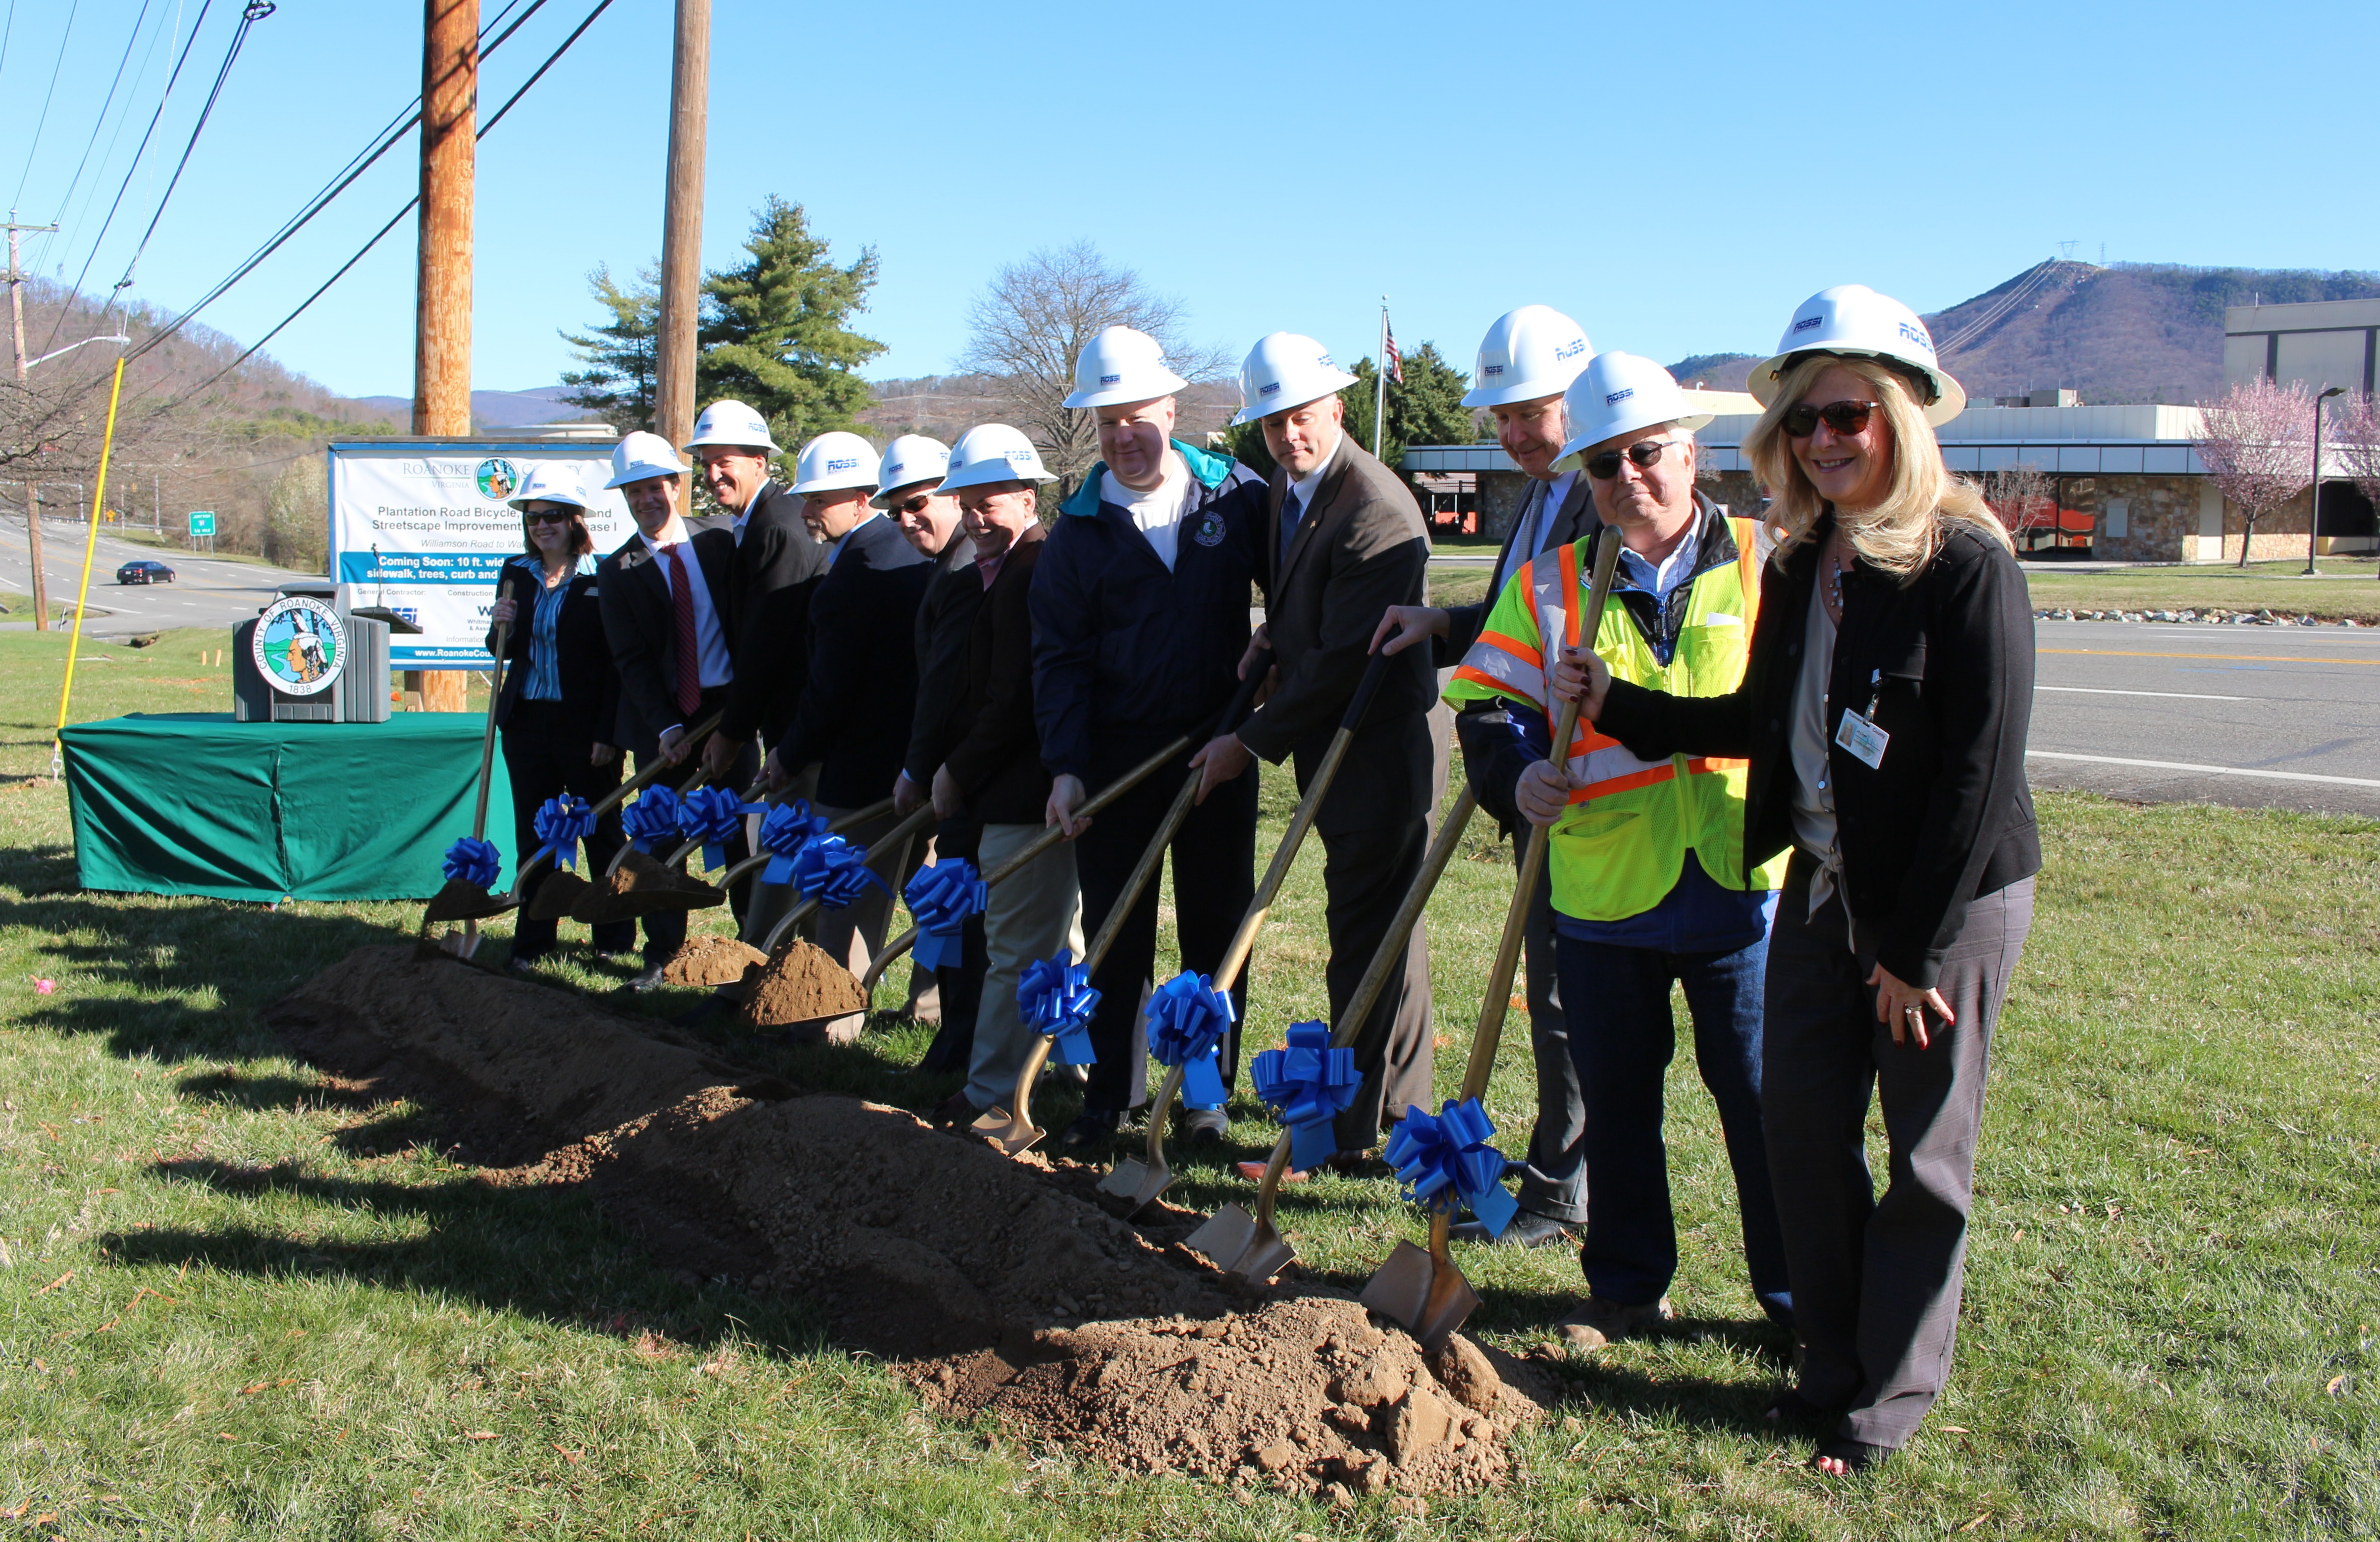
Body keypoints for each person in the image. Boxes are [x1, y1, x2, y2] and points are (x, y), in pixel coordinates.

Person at [1557, 286, 2037, 1475]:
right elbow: (1756, 721)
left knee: (1923, 1154)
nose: (1825, 438)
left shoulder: (1966, 563)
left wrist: (1910, 952)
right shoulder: (1809, 556)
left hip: (1942, 900)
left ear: (1901, 421)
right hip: (1823, 884)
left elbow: (1977, 776)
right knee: (1799, 1130)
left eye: (1848, 415)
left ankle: (1885, 1396)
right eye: (1806, 419)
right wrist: (1620, 703)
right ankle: (1827, 1359)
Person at [1446, 351, 1792, 1354]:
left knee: (1764, 1103)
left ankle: (1794, 1299)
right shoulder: (1551, 583)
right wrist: (1515, 776)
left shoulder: (1771, 562)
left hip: (1739, 883)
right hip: (1604, 892)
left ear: (1689, 453)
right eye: (1603, 464)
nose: (1626, 477)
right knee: (1619, 1104)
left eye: (1645, 453)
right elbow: (1486, 705)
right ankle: (1627, 1287)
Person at [1373, 304, 1598, 1247]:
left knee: (1566, 994)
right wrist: (1446, 625)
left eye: (1528, 413)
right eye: (1500, 417)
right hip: (1524, 776)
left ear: (1577, 400)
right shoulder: (1543, 496)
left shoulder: (1599, 498)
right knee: (1550, 985)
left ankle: (1563, 1187)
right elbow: (1519, 616)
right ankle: (1556, 1167)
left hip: (1577, 787)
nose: (1510, 434)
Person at [1192, 331, 1438, 1165]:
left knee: (1365, 932)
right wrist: (1269, 642)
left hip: (1377, 746)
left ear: (1337, 406)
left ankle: (1348, 1130)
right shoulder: (1286, 488)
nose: (1288, 434)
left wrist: (1247, 742)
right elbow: (1300, 599)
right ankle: (1393, 1107)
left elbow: (1343, 661)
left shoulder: (1374, 508)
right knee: (1384, 928)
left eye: (1301, 416)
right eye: (1272, 423)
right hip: (1334, 739)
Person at [1033, 326, 1267, 1151]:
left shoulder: (1234, 495)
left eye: (1137, 416)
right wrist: (1067, 767)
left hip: (1218, 749)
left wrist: (1268, 675)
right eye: (1107, 423)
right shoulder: (1076, 529)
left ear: (1171, 409)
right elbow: (1057, 658)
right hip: (1116, 759)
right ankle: (1112, 1098)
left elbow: (1290, 593)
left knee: (1215, 926)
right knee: (1116, 928)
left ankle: (1203, 1098)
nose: (1123, 436)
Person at [922, 425, 1082, 1125]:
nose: (975, 519)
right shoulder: (1013, 567)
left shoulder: (1029, 572)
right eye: (966, 505)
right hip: (1025, 788)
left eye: (989, 504)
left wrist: (956, 771)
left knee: (1014, 947)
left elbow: (1013, 697)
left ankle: (991, 1093)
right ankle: (1074, 1068)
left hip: (1025, 791)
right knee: (1054, 942)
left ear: (1027, 498)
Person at [763, 430, 933, 1040]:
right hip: (922, 759)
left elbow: (829, 689)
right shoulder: (914, 554)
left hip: (864, 768)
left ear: (862, 499)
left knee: (844, 899)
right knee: (936, 896)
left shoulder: (856, 573)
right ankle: (931, 1007)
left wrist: (788, 754)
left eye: (819, 499)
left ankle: (831, 1024)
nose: (807, 510)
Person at [596, 430, 747, 988]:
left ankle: (754, 945)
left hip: (729, 709)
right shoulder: (618, 570)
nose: (646, 500)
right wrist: (665, 725)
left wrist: (744, 715)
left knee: (741, 830)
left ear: (675, 487)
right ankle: (663, 955)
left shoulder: (722, 541)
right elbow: (630, 660)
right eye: (633, 492)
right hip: (664, 719)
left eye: (653, 488)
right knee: (661, 838)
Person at [485, 464, 631, 968]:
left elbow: (616, 665)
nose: (541, 526)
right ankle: (533, 943)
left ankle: (613, 939)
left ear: (574, 519)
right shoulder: (515, 573)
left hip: (584, 728)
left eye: (551, 516)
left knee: (601, 830)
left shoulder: (602, 576)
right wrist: (499, 626)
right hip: (526, 722)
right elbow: (502, 649)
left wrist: (607, 733)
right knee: (535, 835)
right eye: (532, 517)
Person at [883, 434, 989, 1071]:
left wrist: (917, 770)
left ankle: (962, 1044)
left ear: (953, 497)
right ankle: (955, 1036)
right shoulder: (948, 566)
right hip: (959, 773)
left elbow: (944, 685)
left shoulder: (963, 571)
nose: (905, 519)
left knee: (965, 912)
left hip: (969, 776)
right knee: (955, 908)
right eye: (894, 509)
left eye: (917, 503)